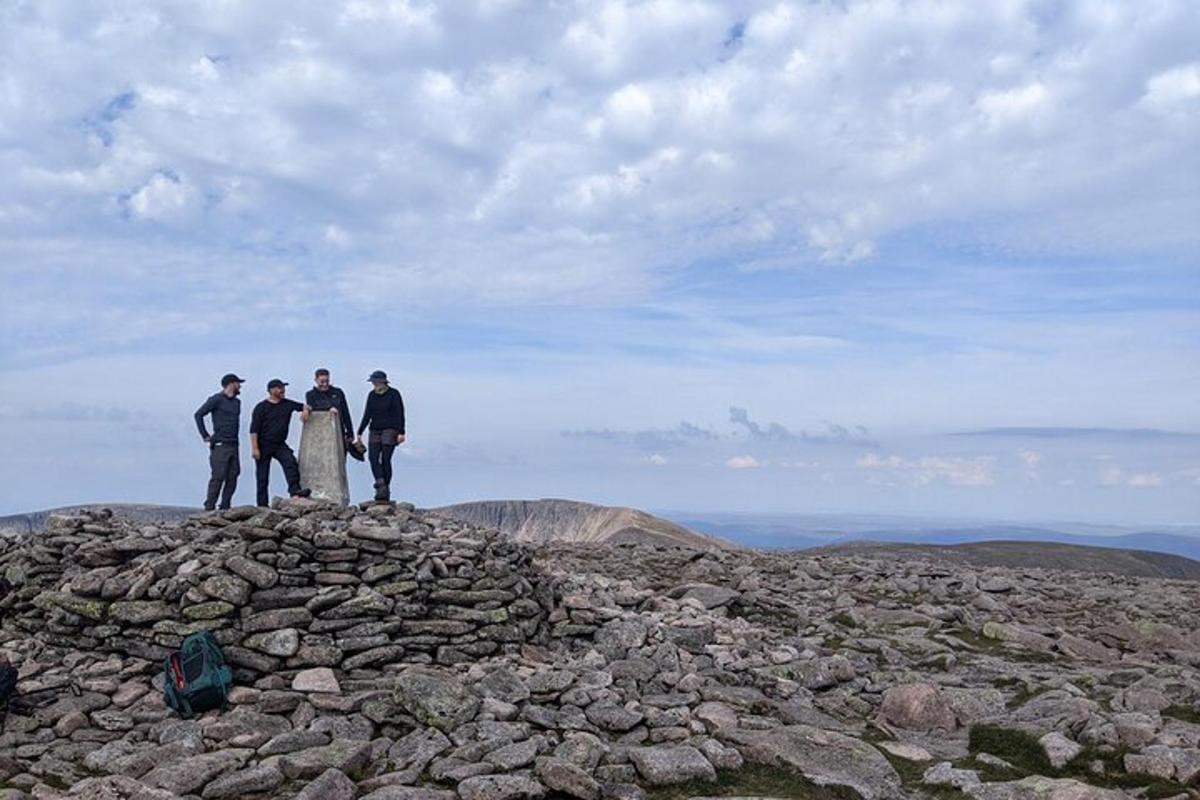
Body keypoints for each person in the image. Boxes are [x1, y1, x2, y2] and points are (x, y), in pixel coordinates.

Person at [250, 379, 312, 506]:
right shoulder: (261, 407)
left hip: (279, 444)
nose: (282, 390)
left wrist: (306, 411)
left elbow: (305, 406)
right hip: (263, 444)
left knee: (290, 462)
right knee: (262, 476)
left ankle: (295, 491)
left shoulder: (287, 404)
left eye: (283, 387)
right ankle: (262, 505)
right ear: (271, 390)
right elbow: (253, 429)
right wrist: (255, 448)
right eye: (279, 388)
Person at [194, 373, 244, 511]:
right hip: (220, 444)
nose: (240, 386)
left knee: (233, 474)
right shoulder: (216, 399)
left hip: (234, 444)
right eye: (238, 383)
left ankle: (225, 506)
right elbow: (198, 415)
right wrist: (205, 435)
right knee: (218, 476)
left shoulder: (237, 402)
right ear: (231, 383)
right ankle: (209, 506)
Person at [356, 370, 405, 502]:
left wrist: (401, 432)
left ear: (383, 381)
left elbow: (400, 412)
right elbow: (367, 413)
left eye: (376, 381)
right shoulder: (371, 395)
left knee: (385, 459)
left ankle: (385, 489)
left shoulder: (394, 394)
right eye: (373, 382)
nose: (375, 384)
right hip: (375, 429)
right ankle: (381, 484)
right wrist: (360, 431)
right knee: (373, 458)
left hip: (391, 428)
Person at [303, 368, 359, 460]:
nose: (325, 384)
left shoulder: (338, 392)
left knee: (340, 459)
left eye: (327, 381)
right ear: (316, 380)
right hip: (320, 434)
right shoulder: (310, 394)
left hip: (339, 431)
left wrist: (350, 433)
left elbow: (345, 412)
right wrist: (328, 409)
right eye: (322, 381)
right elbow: (313, 409)